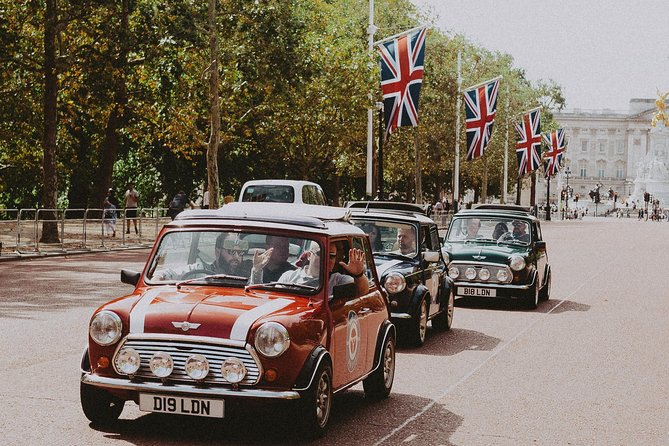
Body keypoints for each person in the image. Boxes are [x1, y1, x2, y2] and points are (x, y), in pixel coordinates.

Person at [272, 241, 369, 298]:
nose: (326, 259)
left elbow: (363, 292)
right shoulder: (289, 276)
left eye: (331, 256)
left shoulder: (337, 280)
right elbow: (277, 300)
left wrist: (358, 274)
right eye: (320, 254)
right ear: (309, 256)